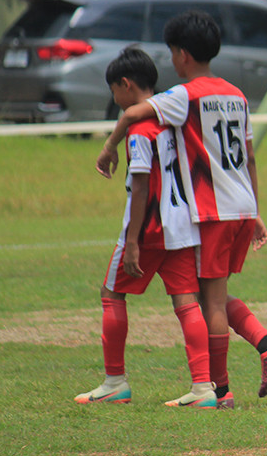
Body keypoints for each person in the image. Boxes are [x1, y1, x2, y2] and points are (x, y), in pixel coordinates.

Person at [95, 11, 267, 408]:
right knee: (209, 294)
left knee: (210, 302)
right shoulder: (237, 95)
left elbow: (134, 113)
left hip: (213, 210)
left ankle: (221, 388)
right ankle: (260, 347)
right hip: (241, 204)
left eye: (172, 52)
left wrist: (109, 145)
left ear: (182, 54)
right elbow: (249, 156)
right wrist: (255, 210)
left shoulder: (186, 95)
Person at [76, 46, 214, 408]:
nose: (115, 99)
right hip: (181, 225)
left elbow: (141, 185)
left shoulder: (139, 129)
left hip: (150, 228)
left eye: (114, 91)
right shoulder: (173, 118)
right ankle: (203, 388)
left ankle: (114, 382)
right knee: (187, 301)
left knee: (111, 294)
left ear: (125, 84)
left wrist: (133, 241)